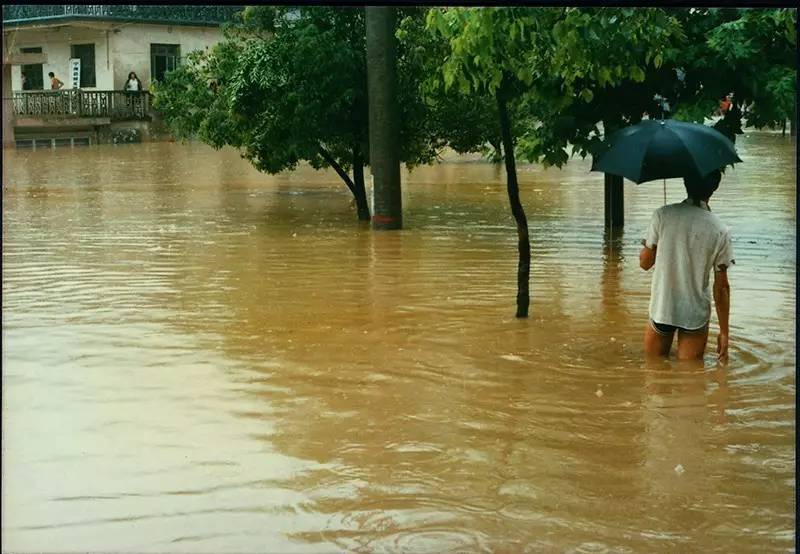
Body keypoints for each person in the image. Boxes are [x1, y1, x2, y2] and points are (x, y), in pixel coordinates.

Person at [639, 169, 734, 361]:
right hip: (694, 315)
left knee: (654, 375)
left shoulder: (662, 215)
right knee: (691, 382)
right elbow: (721, 287)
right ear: (714, 188)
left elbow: (645, 263)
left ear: (685, 182)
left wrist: (648, 245)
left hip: (663, 308)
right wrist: (724, 332)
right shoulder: (720, 230)